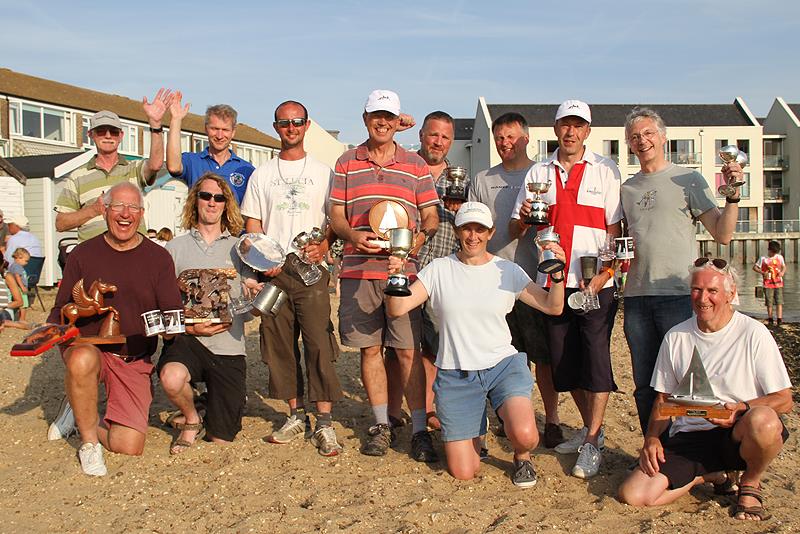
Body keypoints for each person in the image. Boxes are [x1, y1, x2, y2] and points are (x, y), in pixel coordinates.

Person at [386, 202, 566, 485]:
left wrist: (557, 275)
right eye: (467, 228)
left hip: (501, 366)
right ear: (457, 231)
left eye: (480, 229)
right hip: (456, 374)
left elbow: (552, 307)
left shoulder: (508, 270)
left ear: (491, 232)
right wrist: (395, 274)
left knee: (526, 436)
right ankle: (476, 424)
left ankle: (522, 457)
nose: (473, 236)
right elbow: (397, 309)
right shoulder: (438, 269)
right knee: (463, 472)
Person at [618, 258, 793, 521]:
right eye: (697, 290)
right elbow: (663, 399)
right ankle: (707, 475)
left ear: (730, 294)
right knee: (633, 495)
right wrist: (652, 438)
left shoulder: (754, 333)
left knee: (765, 420)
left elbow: (784, 399)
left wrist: (742, 408)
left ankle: (750, 483)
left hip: (737, 433)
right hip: (690, 437)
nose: (703, 299)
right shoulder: (676, 337)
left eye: (712, 291)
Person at [511, 100, 622, 479]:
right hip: (552, 283)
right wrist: (525, 218)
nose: (571, 132)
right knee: (562, 362)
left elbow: (614, 231)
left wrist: (605, 275)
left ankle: (591, 439)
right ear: (555, 129)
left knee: (596, 360)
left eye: (578, 126)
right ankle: (595, 428)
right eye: (564, 125)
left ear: (587, 131)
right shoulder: (539, 171)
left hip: (594, 283)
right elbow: (517, 226)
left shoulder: (607, 170)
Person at [329, 89, 440, 461]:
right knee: (370, 349)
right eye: (376, 115)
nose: (382, 122)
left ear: (397, 121)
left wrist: (412, 244)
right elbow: (336, 216)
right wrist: (351, 235)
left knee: (408, 351)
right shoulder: (346, 162)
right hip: (358, 271)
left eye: (389, 117)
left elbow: (431, 217)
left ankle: (420, 428)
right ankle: (380, 425)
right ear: (365, 118)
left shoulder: (415, 165)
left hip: (402, 272)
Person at [45, 182, 182, 476]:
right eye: (118, 206)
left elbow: (172, 313)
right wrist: (49, 335)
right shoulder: (82, 254)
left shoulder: (158, 258)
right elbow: (60, 309)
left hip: (131, 356)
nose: (125, 214)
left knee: (129, 444)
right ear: (105, 210)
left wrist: (171, 331)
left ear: (142, 214)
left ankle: (83, 411)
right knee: (82, 359)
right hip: (89, 348)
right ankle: (90, 445)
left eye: (133, 207)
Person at [621, 107, 740, 434]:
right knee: (645, 384)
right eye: (635, 136)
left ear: (662, 137)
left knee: (690, 380)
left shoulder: (688, 179)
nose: (642, 140)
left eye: (648, 133)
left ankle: (696, 450)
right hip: (635, 298)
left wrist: (733, 197)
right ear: (629, 144)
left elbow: (723, 234)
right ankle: (652, 448)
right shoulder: (626, 189)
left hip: (678, 297)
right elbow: (618, 242)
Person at [241, 100, 344, 456]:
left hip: (312, 271)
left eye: (297, 121)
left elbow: (335, 218)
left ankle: (325, 423)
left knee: (318, 343)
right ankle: (295, 414)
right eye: (284, 123)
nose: (291, 127)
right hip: (275, 271)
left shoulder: (323, 171)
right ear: (275, 127)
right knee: (279, 345)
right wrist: (260, 261)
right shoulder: (262, 174)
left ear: (307, 125)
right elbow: (252, 225)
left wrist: (326, 244)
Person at [469, 112, 563, 448]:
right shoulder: (482, 179)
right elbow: (476, 228)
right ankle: (504, 415)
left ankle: (551, 419)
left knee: (543, 358)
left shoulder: (543, 174)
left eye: (511, 137)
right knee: (498, 354)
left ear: (525, 138)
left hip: (533, 280)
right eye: (500, 138)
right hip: (493, 282)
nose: (505, 144)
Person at [158, 173, 255, 454]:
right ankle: (190, 418)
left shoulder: (241, 249)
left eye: (219, 197)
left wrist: (252, 290)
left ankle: (209, 401)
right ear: (195, 201)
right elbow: (163, 304)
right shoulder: (175, 248)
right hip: (188, 341)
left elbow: (250, 307)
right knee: (172, 377)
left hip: (228, 346)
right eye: (205, 196)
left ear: (227, 204)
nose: (212, 203)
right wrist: (190, 328)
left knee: (222, 438)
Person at [387, 110, 461, 432]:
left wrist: (459, 216)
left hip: (441, 275)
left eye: (445, 137)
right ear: (421, 136)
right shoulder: (403, 168)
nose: (438, 142)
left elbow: (473, 234)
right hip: (403, 269)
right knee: (396, 345)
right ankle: (392, 409)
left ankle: (429, 408)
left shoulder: (461, 180)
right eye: (433, 134)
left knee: (432, 347)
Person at [55, 92, 173, 242]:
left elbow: (155, 164)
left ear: (121, 136)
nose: (108, 136)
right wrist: (93, 210)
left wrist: (155, 125)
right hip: (94, 255)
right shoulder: (78, 175)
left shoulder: (133, 168)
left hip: (133, 252)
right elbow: (60, 223)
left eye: (114, 132)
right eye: (101, 131)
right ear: (91, 134)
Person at [166, 93, 255, 204]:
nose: (219, 135)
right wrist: (176, 120)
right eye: (214, 129)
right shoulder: (193, 161)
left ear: (233, 132)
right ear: (206, 129)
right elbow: (173, 167)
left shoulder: (247, 169)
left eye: (225, 130)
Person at [753, 240, 785, 326]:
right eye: (773, 252)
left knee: (779, 301)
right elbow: (755, 267)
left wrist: (782, 272)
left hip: (778, 283)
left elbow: (784, 266)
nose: (774, 254)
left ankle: (779, 319)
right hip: (768, 284)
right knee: (769, 302)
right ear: (769, 250)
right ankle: (770, 318)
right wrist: (763, 273)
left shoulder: (780, 257)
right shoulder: (763, 258)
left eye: (775, 253)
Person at [0, 251, 30, 330]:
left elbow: (19, 302)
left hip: (5, 310)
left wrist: (3, 305)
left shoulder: (6, 276)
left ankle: (15, 324)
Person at [9, 247, 30, 322]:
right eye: (26, 261)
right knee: (24, 304)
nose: (27, 263)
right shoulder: (17, 266)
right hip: (19, 288)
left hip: (16, 288)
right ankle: (22, 319)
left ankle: (17, 318)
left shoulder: (15, 266)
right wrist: (22, 287)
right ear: (19, 258)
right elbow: (17, 277)